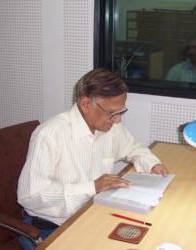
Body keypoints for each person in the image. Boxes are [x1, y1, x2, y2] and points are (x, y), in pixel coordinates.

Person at [17, 68, 168, 249]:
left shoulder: (108, 126)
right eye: (112, 113)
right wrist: (92, 187)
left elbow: (133, 148)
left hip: (94, 212)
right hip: (53, 227)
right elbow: (30, 196)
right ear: (86, 104)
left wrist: (152, 164)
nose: (118, 120)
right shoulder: (50, 135)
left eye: (121, 112)